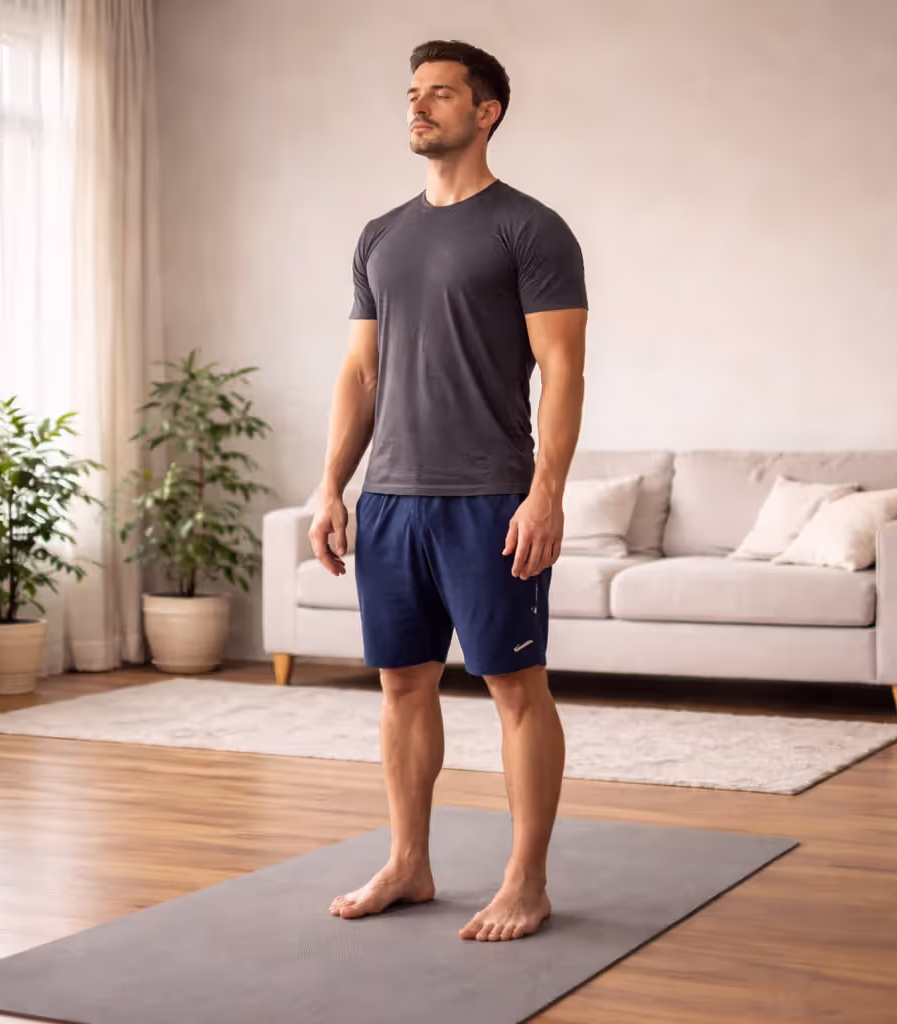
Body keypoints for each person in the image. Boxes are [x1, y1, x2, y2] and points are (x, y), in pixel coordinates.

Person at [310, 39, 587, 943]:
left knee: (514, 687)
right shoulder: (380, 235)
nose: (418, 108)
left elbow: (563, 370)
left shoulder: (530, 228)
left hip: (489, 498)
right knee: (401, 684)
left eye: (439, 95)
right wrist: (330, 488)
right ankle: (410, 861)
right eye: (412, 95)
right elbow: (359, 373)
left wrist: (545, 494)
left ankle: (526, 879)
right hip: (390, 499)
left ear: (487, 111)